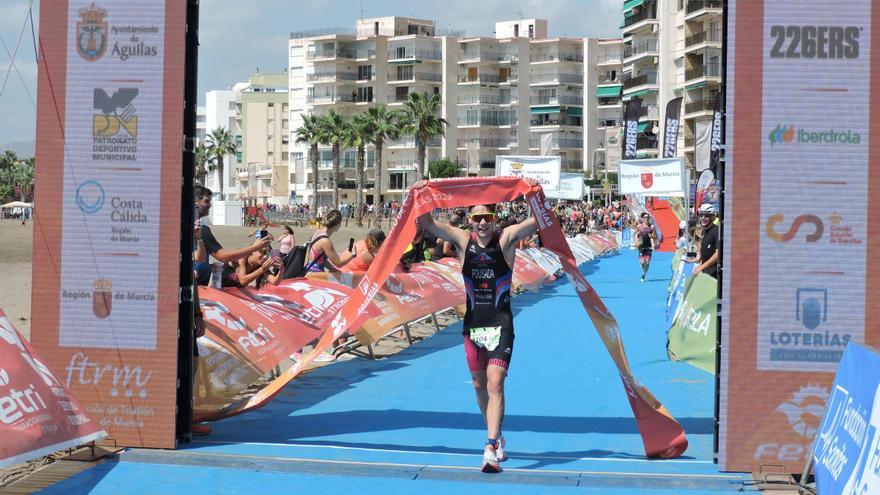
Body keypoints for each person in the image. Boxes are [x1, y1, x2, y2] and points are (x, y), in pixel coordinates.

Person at [415, 178, 539, 474]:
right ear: (471, 221)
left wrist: (534, 191)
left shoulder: (506, 239)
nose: (482, 223)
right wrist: (422, 192)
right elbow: (426, 222)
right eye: (477, 218)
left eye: (487, 218)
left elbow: (540, 220)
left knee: (496, 382)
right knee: (480, 385)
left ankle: (490, 446)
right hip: (472, 327)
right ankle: (496, 432)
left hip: (501, 324)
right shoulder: (461, 240)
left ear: (494, 220)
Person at [194, 186, 270, 285]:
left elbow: (200, 257)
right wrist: (254, 248)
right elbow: (224, 257)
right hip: (196, 283)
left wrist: (208, 266)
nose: (210, 205)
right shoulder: (202, 230)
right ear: (195, 203)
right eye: (206, 201)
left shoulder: (190, 227)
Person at [307, 209, 355, 273]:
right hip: (315, 275)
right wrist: (352, 255)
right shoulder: (325, 241)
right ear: (338, 224)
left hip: (310, 271)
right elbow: (338, 263)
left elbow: (320, 258)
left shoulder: (318, 232)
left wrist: (333, 269)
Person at [690, 204, 719, 278]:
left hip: (714, 275)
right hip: (705, 273)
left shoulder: (716, 231)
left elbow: (718, 254)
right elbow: (704, 255)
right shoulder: (704, 232)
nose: (703, 218)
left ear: (713, 217)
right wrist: (696, 260)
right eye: (701, 215)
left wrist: (701, 266)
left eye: (706, 216)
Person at [637, 212, 657, 282]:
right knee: (642, 262)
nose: (646, 219)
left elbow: (655, 236)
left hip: (649, 247)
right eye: (645, 217)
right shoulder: (639, 226)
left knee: (647, 262)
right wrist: (636, 242)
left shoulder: (652, 227)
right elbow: (635, 234)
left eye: (648, 217)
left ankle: (643, 275)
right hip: (641, 247)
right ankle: (643, 266)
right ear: (642, 219)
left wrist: (651, 237)